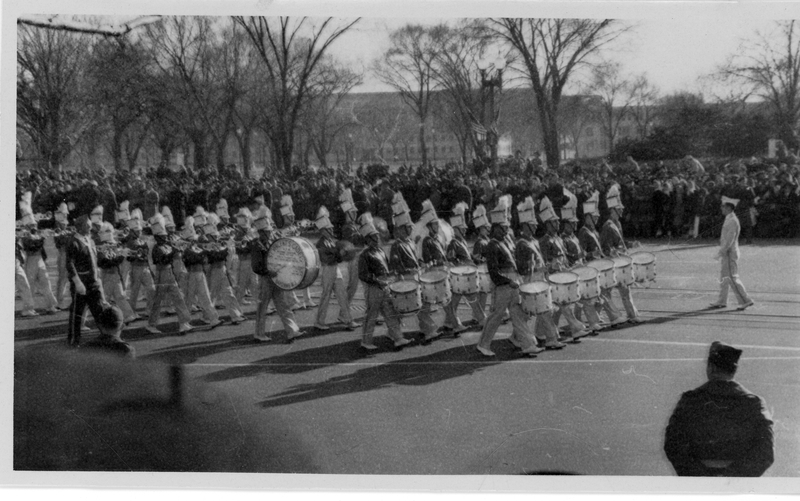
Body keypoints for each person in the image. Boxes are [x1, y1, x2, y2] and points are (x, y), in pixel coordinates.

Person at [664, 341, 774, 477]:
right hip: (736, 486)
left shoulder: (690, 400)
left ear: (711, 368)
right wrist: (731, 478)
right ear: (734, 370)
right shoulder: (754, 403)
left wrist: (699, 477)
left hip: (698, 484)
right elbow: (765, 453)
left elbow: (673, 445)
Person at [475, 196, 543, 358]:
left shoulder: (504, 242)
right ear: (495, 228)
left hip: (512, 283)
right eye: (502, 228)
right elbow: (493, 272)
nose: (506, 230)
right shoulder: (492, 245)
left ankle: (527, 345)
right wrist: (508, 281)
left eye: (506, 227)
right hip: (503, 285)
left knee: (518, 314)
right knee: (496, 316)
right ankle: (483, 344)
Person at [514, 196, 564, 350]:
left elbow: (540, 263)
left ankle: (545, 337)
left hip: (539, 280)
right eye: (532, 225)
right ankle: (548, 338)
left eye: (535, 224)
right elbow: (522, 268)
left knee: (542, 311)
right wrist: (538, 268)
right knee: (533, 312)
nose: (536, 227)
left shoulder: (534, 241)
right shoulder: (521, 244)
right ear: (525, 226)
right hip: (529, 281)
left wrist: (546, 267)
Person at [389, 195, 440, 344]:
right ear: (402, 229)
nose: (411, 228)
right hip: (406, 278)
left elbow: (415, 259)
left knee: (421, 304)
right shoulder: (397, 245)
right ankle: (393, 332)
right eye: (408, 227)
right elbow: (396, 265)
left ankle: (428, 330)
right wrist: (404, 275)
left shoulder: (410, 242)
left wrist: (421, 265)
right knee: (401, 309)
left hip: (415, 276)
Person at [538, 196, 590, 341]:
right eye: (554, 221)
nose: (557, 223)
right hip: (552, 277)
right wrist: (552, 265)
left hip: (561, 275)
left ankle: (540, 332)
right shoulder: (544, 241)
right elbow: (544, 262)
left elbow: (565, 258)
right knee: (563, 304)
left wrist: (569, 267)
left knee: (555, 307)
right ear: (548, 224)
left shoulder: (558, 239)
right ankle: (575, 328)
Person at [357, 212, 411, 351]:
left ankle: (398, 338)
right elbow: (363, 275)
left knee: (390, 312)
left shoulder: (380, 251)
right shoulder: (365, 255)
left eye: (376, 236)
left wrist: (393, 273)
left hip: (385, 285)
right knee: (371, 316)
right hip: (374, 288)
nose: (376, 238)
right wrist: (376, 281)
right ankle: (366, 341)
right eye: (373, 237)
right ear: (368, 240)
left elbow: (387, 267)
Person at [250, 205, 302, 343]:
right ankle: (259, 333)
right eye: (266, 232)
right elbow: (256, 266)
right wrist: (268, 271)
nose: (268, 234)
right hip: (265, 279)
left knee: (283, 304)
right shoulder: (256, 245)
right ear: (260, 232)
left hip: (274, 279)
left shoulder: (270, 242)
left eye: (268, 231)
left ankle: (292, 330)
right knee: (262, 307)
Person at [600, 185, 644, 324]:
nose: (622, 211)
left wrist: (631, 244)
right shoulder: (607, 226)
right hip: (612, 263)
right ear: (613, 210)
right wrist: (612, 252)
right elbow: (605, 247)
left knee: (624, 290)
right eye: (619, 209)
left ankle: (632, 314)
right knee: (606, 292)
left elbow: (621, 241)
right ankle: (602, 316)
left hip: (620, 262)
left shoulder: (617, 223)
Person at [145, 214, 194, 335]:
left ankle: (183, 323)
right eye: (162, 236)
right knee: (158, 301)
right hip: (161, 274)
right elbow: (160, 260)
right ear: (157, 237)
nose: (165, 237)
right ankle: (151, 324)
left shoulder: (166, 245)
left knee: (178, 297)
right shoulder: (156, 247)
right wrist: (174, 251)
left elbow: (170, 258)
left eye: (164, 235)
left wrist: (178, 249)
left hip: (169, 273)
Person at [314, 206, 359, 331]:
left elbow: (337, 258)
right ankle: (319, 321)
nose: (332, 229)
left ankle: (347, 319)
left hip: (335, 269)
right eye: (329, 229)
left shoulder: (330, 241)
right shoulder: (321, 243)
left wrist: (341, 255)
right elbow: (326, 259)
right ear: (323, 231)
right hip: (328, 269)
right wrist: (340, 254)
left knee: (342, 294)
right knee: (326, 295)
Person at [443, 202, 486, 334]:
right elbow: (450, 260)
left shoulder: (461, 241)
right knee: (471, 297)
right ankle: (482, 319)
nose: (465, 229)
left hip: (465, 275)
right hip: (461, 276)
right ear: (456, 229)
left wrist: (475, 259)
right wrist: (461, 267)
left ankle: (449, 322)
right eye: (462, 228)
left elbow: (465, 256)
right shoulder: (453, 242)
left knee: (455, 300)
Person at [66, 214, 108, 347]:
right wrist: (77, 282)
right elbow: (69, 264)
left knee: (99, 311)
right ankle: (73, 341)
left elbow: (94, 260)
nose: (90, 228)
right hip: (82, 284)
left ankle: (107, 338)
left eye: (90, 225)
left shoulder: (90, 240)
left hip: (93, 283)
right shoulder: (73, 242)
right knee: (77, 314)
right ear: (79, 227)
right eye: (87, 226)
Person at [708, 196, 755, 311]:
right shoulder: (730, 218)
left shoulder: (732, 220)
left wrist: (721, 252)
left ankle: (745, 300)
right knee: (724, 277)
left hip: (729, 252)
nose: (721, 208)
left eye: (723, 206)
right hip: (728, 252)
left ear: (728, 208)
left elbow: (730, 239)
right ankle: (722, 300)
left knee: (732, 277)